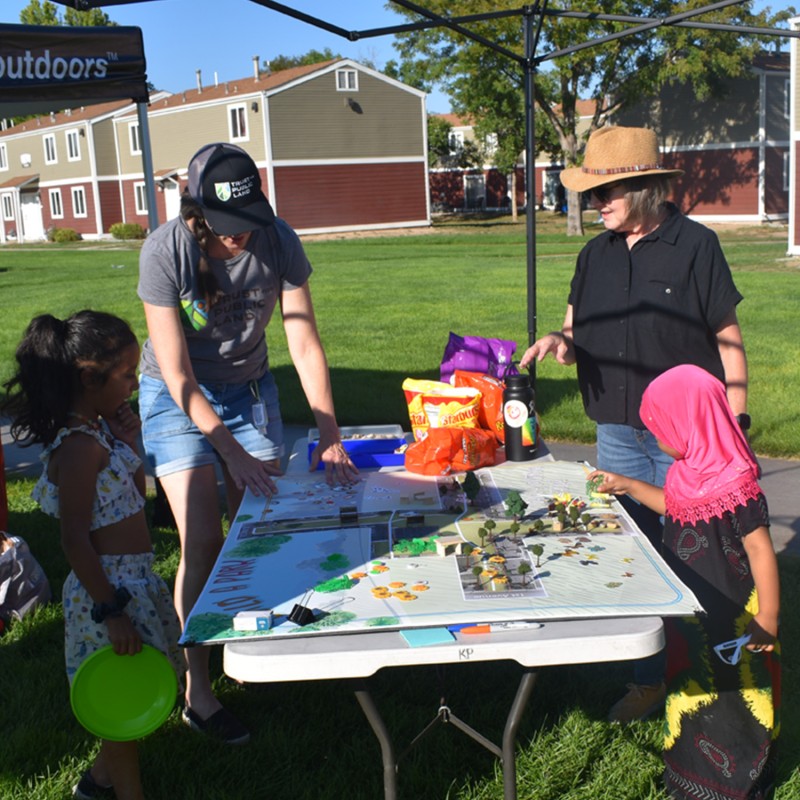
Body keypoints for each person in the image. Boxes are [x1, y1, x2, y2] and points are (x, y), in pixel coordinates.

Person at [520, 125, 749, 722]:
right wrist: (559, 342)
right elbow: (575, 330)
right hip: (615, 430)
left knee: (700, 552)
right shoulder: (592, 253)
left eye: (606, 192)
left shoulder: (695, 245)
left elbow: (728, 340)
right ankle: (647, 679)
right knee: (631, 553)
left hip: (685, 440)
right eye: (592, 193)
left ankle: (713, 672)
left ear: (643, 188)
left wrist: (737, 418)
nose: (596, 203)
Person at [137, 142, 358, 744]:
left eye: (247, 226)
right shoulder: (167, 251)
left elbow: (303, 341)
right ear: (199, 212)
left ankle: (257, 641)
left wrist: (330, 433)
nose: (241, 239)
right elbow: (179, 377)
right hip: (175, 396)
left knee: (258, 527)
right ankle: (198, 689)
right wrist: (228, 453)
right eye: (228, 229)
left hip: (249, 387)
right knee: (203, 537)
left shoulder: (278, 238)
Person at [1, 311, 184, 800]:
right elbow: (74, 540)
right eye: (127, 375)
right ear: (89, 376)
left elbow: (132, 494)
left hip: (135, 581)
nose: (132, 384)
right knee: (120, 705)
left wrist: (128, 441)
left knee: (146, 681)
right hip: (107, 591)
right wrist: (112, 610)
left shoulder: (101, 433)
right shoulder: (79, 448)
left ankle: (97, 781)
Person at [589, 364, 779, 800]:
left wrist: (767, 614)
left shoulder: (737, 483)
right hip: (691, 614)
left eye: (659, 429)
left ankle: (740, 781)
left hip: (735, 621)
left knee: (734, 699)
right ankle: (689, 774)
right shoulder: (690, 472)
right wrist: (631, 486)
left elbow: (760, 551)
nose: (655, 438)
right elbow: (675, 508)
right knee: (689, 691)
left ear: (688, 424)